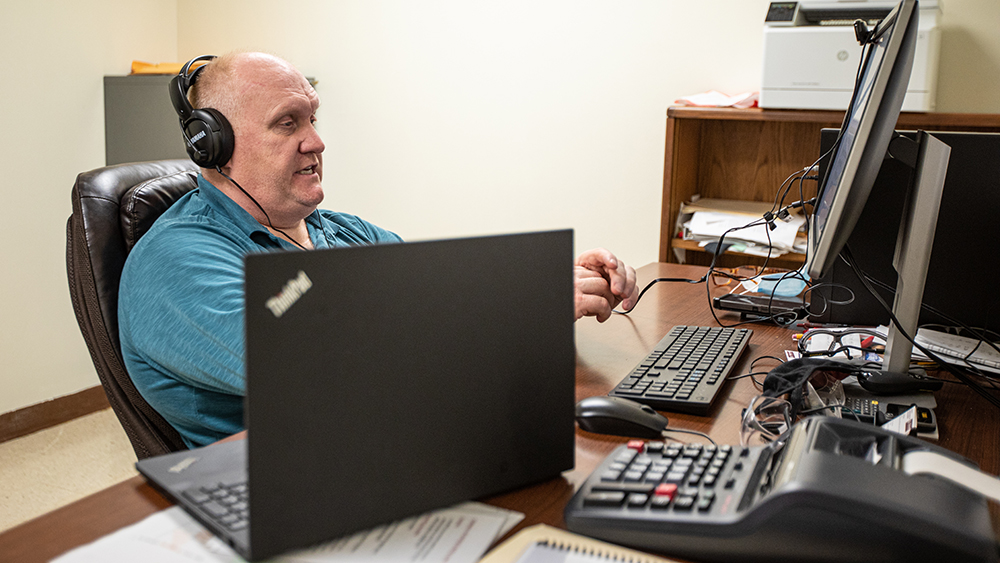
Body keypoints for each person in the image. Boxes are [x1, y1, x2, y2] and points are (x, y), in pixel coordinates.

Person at [119, 51, 637, 448]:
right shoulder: (177, 261)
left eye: (313, 118)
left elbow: (438, 296)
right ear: (214, 146)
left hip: (399, 446)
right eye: (287, 122)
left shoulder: (339, 232)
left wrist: (549, 284)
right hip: (295, 491)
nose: (316, 141)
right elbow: (318, 365)